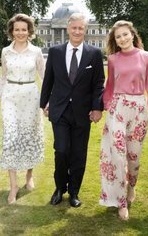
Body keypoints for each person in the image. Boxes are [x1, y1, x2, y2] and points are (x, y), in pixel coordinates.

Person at [99, 20, 148, 220]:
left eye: (125, 34)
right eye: (118, 37)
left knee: (133, 158)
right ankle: (120, 201)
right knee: (117, 157)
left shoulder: (146, 57)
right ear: (115, 41)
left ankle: (131, 187)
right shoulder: (113, 59)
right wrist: (107, 105)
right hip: (118, 109)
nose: (122, 39)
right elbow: (109, 86)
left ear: (132, 35)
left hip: (138, 110)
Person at [40, 12, 105, 208]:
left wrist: (97, 108)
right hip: (59, 110)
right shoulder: (56, 52)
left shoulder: (94, 53)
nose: (77, 31)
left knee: (78, 153)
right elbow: (48, 80)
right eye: (74, 27)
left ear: (85, 30)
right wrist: (44, 104)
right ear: (68, 29)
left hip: (82, 112)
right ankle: (60, 188)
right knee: (61, 150)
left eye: (81, 28)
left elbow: (98, 84)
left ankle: (74, 191)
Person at [0, 13, 45, 204]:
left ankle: (29, 175)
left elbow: (43, 76)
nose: (20, 32)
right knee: (10, 137)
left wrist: (48, 100)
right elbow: (3, 76)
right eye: (16, 29)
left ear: (29, 31)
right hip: (10, 97)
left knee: (29, 135)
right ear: (12, 31)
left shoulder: (36, 51)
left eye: (23, 29)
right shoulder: (5, 51)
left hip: (30, 96)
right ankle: (13, 186)